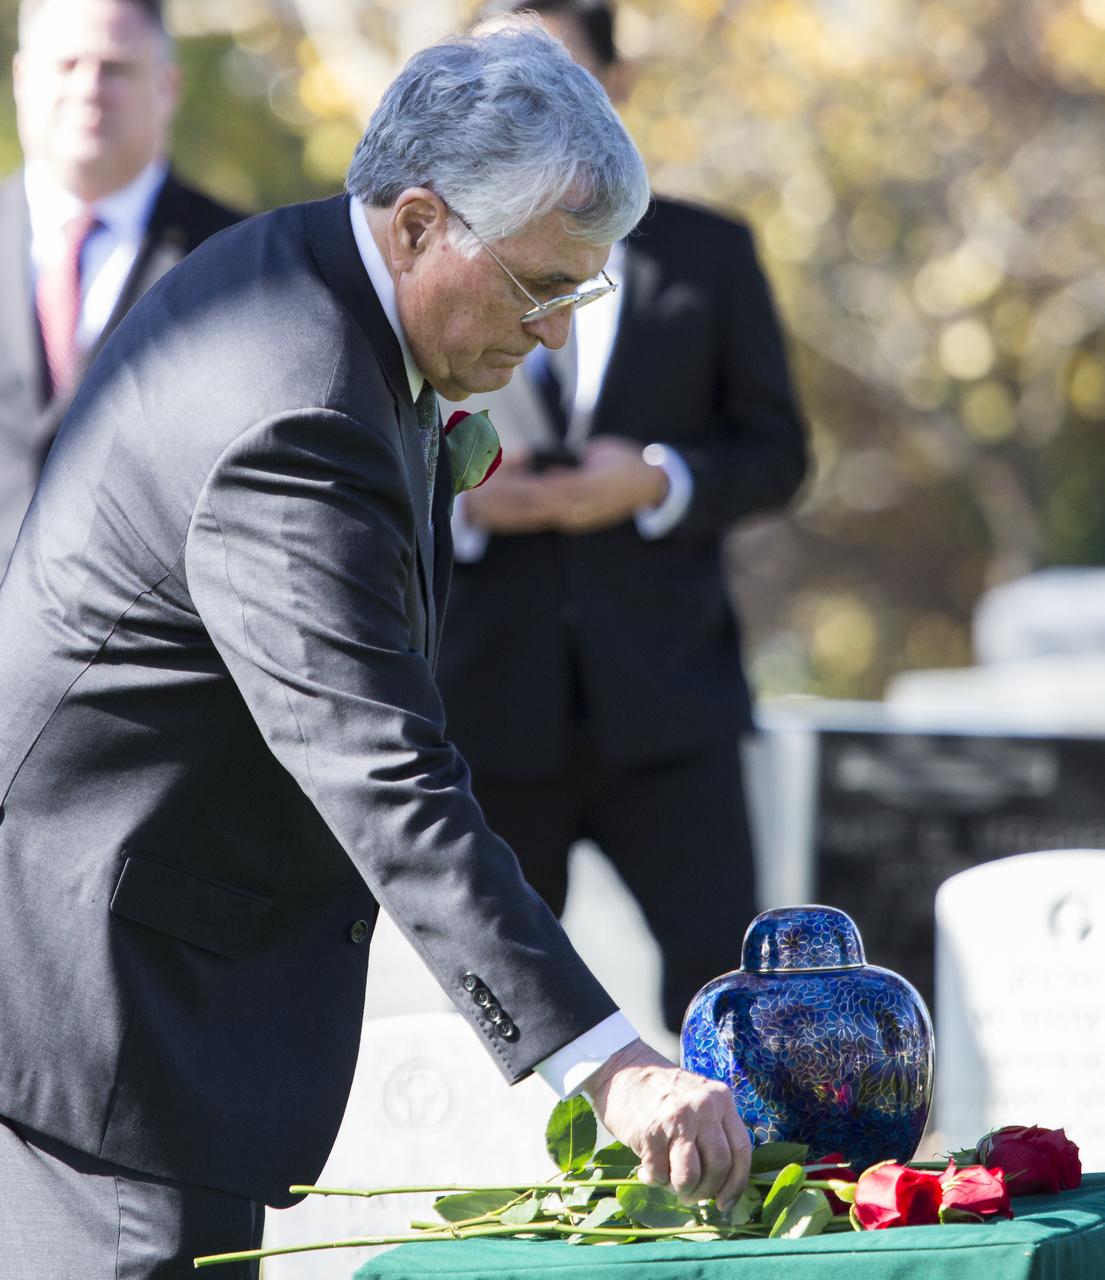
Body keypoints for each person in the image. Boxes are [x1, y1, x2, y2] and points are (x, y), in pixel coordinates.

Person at [0, 19, 750, 1278]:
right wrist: (609, 1064)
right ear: (415, 225)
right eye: (538, 286)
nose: (556, 333)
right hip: (112, 996)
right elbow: (387, 777)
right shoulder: (294, 406)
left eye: (582, 290)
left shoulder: (305, 274)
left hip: (142, 952)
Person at [437, 0, 809, 1034]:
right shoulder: (429, 261)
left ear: (618, 81)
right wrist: (464, 503)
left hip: (670, 706)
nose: (527, 104)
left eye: (556, 72)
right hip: (485, 708)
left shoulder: (710, 254)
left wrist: (654, 480)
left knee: (732, 1003)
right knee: (484, 1009)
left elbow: (777, 454)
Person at [0, 0, 241, 578]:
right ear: (22, 78)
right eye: (68, 65)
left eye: (115, 68)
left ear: (168, 86)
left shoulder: (242, 263)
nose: (90, 88)